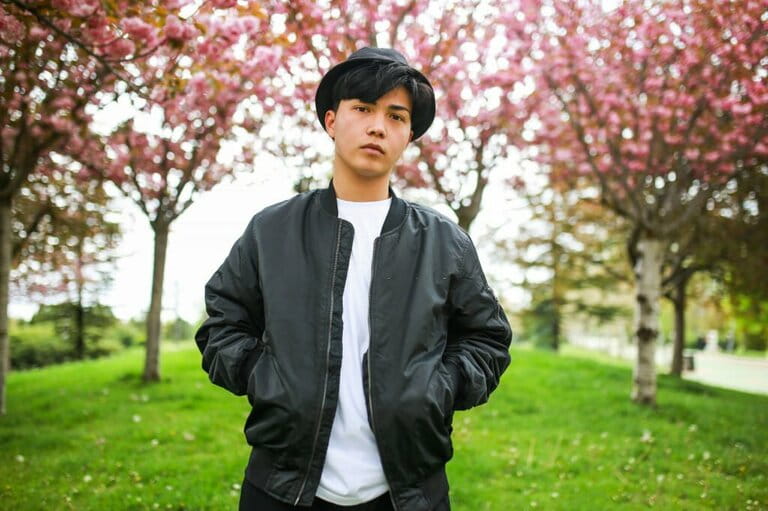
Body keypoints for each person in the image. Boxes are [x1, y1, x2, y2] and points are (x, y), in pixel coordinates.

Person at [195, 47, 512, 511]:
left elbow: (487, 338)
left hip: (410, 491)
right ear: (331, 120)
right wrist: (266, 380)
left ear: (409, 135)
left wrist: (435, 391)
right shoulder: (272, 231)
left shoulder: (445, 242)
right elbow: (223, 324)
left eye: (396, 116)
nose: (378, 126)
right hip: (282, 485)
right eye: (363, 109)